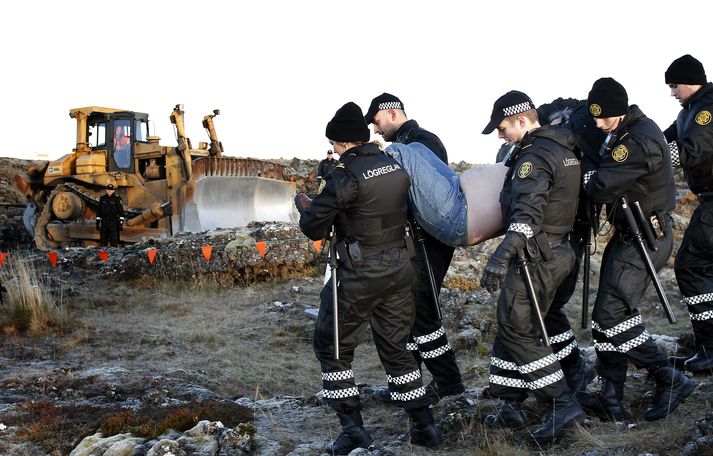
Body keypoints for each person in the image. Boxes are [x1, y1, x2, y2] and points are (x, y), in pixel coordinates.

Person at [293, 102, 441, 453]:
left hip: (359, 274)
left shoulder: (344, 177)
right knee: (397, 349)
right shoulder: (393, 165)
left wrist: (307, 204)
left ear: (343, 143)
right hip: (401, 269)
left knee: (332, 346)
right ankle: (424, 426)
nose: (334, 151)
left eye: (335, 145)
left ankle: (353, 429)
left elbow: (313, 225)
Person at [579, 77, 693, 422]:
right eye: (594, 117)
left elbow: (599, 188)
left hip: (646, 237)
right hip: (632, 232)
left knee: (612, 315)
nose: (599, 125)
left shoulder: (638, 141)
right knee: (605, 319)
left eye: (604, 118)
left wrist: (584, 170)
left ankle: (669, 378)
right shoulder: (627, 131)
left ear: (620, 111)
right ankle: (611, 399)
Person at [480, 90, 585, 443]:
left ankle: (561, 402)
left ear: (522, 119)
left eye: (503, 127)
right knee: (519, 322)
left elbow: (526, 215)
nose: (500, 135)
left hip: (536, 256)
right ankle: (511, 400)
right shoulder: (562, 147)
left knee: (514, 327)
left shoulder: (534, 157)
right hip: (557, 252)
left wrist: (500, 256)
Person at [364, 92, 464, 403]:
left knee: (423, 314)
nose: (376, 130)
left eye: (377, 122)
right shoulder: (409, 141)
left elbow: (431, 197)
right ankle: (406, 386)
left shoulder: (423, 141)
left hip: (428, 242)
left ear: (391, 113)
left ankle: (449, 384)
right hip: (411, 241)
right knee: (408, 315)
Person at [663, 55, 713, 374]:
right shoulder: (689, 112)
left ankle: (709, 349)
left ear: (688, 80)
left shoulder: (706, 109)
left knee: (691, 266)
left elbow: (693, 150)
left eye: (673, 86)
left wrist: (653, 164)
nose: (671, 93)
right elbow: (660, 140)